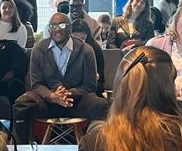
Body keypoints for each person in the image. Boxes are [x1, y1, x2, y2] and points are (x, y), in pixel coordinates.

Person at [12, 13, 110, 142]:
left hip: (77, 102)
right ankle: (20, 150)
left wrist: (67, 94)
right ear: (49, 30)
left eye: (62, 25)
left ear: (70, 28)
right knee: (22, 104)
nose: (57, 29)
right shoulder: (39, 49)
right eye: (53, 25)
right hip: (47, 102)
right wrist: (52, 96)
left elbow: (90, 85)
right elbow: (36, 83)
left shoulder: (86, 50)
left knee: (101, 105)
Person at [69, 19, 106, 94]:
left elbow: (101, 75)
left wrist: (96, 75)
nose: (78, 42)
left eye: (82, 39)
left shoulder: (94, 48)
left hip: (91, 84)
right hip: (70, 83)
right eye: (75, 39)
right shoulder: (65, 47)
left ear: (87, 36)